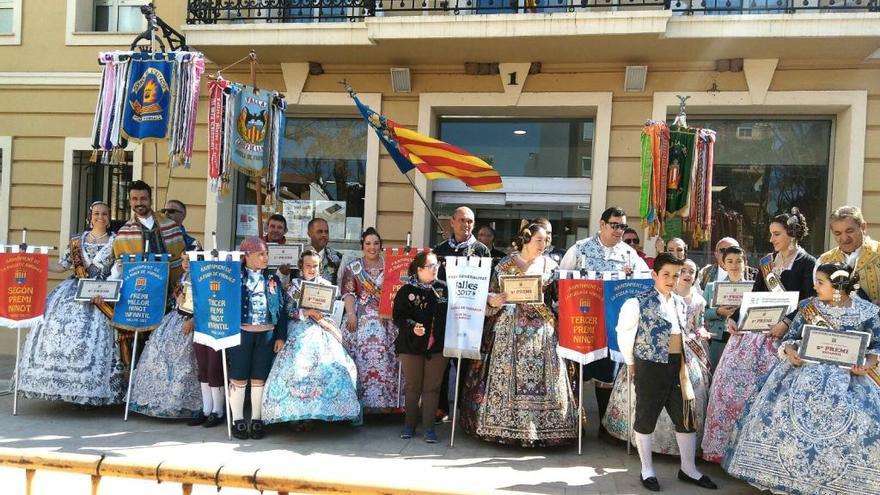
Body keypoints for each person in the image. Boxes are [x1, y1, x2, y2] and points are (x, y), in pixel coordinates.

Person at [723, 264, 880, 494]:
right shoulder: (808, 307)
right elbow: (791, 337)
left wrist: (867, 363)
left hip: (850, 380)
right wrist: (790, 352)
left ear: (838, 286)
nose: (814, 286)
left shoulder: (866, 311)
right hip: (803, 373)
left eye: (820, 282)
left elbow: (877, 344)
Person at [701, 208, 817, 463]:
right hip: (755, 334)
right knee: (727, 385)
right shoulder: (767, 262)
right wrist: (734, 318)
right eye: (771, 234)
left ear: (793, 234)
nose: (772, 239)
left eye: (776, 234)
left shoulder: (808, 263)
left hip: (784, 340)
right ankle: (726, 449)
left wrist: (787, 322)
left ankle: (762, 457)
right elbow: (753, 296)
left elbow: (811, 301)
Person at [463, 223, 577, 447]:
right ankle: (498, 425)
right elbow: (487, 292)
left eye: (546, 241)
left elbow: (560, 299)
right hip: (507, 328)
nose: (544, 245)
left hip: (542, 332)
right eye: (539, 240)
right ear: (526, 240)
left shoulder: (551, 266)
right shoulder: (504, 264)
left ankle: (546, 429)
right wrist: (491, 299)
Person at [615, 253, 717, 492]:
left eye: (676, 274)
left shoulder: (680, 302)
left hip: (678, 364)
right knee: (646, 414)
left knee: (685, 415)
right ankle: (647, 469)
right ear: (654, 275)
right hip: (649, 365)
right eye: (666, 275)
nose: (672, 280)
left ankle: (688, 468)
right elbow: (625, 334)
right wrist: (631, 363)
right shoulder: (637, 302)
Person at [16, 201, 125, 405]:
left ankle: (90, 392)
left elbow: (118, 270)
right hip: (73, 292)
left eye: (104, 214)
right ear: (89, 216)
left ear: (110, 218)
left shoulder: (116, 241)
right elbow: (62, 266)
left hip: (102, 294)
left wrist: (108, 290)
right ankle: (58, 386)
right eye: (96, 213)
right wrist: (34, 260)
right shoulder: (77, 241)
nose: (100, 217)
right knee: (57, 331)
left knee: (97, 340)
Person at [559, 206, 650, 442]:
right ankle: (574, 423)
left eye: (623, 226)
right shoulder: (579, 249)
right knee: (577, 374)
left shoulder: (630, 255)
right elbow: (563, 280)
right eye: (615, 225)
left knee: (606, 377)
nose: (619, 231)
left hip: (611, 324)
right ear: (602, 224)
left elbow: (643, 285)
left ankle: (604, 425)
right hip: (583, 322)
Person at [262, 250, 361, 426]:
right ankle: (297, 415)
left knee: (334, 368)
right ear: (301, 266)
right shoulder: (294, 286)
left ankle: (320, 413)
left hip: (322, 330)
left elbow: (335, 309)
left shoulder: (326, 285)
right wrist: (305, 312)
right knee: (295, 368)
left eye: (315, 266)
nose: (312, 269)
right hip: (298, 330)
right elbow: (287, 310)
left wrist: (325, 315)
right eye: (308, 266)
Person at [112, 180, 186, 366]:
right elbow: (120, 268)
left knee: (165, 343)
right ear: (129, 201)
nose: (139, 203)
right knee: (138, 344)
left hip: (168, 296)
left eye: (143, 198)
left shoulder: (170, 227)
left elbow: (180, 261)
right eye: (135, 199)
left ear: (150, 199)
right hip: (140, 298)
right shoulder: (123, 233)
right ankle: (137, 383)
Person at [432, 206, 491, 420]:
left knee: (466, 367)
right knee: (441, 363)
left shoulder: (481, 250)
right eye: (462, 220)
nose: (466, 225)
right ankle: (440, 409)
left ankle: (466, 412)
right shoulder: (439, 250)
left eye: (470, 222)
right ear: (452, 222)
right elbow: (433, 283)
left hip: (469, 319)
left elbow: (487, 284)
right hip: (444, 315)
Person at [228, 236, 289, 440]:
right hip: (241, 334)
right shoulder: (234, 277)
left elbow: (282, 309)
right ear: (247, 256)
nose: (265, 258)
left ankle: (256, 419)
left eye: (266, 254)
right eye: (261, 254)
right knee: (239, 375)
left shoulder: (272, 279)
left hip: (267, 334)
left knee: (259, 377)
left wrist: (280, 335)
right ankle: (238, 419)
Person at [128, 253, 201, 419]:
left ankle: (184, 401)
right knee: (159, 351)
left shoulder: (201, 278)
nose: (185, 264)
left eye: (189, 260)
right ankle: (156, 398)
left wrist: (193, 319)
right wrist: (178, 298)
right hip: (175, 318)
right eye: (183, 260)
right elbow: (175, 300)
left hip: (191, 321)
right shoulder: (181, 277)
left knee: (184, 357)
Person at [340, 228, 402, 413]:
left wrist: (390, 313)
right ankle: (360, 403)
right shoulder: (353, 268)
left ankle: (387, 403)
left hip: (387, 317)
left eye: (376, 243)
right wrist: (351, 315)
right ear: (362, 246)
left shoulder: (391, 266)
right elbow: (348, 293)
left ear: (381, 245)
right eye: (368, 243)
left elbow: (396, 293)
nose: (372, 247)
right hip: (361, 315)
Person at [392, 251, 449, 443]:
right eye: (431, 266)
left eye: (437, 266)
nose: (435, 269)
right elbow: (398, 316)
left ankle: (429, 428)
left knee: (432, 388)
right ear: (419, 269)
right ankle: (409, 425)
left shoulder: (444, 289)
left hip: (438, 347)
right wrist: (412, 326)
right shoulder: (406, 290)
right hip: (411, 346)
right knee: (413, 386)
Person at [819, 205, 880, 304]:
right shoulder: (824, 260)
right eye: (838, 233)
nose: (844, 238)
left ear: (863, 227)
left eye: (849, 231)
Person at [702, 246, 750, 369]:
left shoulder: (753, 289)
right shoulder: (711, 287)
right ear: (723, 264)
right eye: (730, 261)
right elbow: (702, 314)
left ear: (745, 263)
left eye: (739, 261)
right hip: (719, 340)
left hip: (743, 340)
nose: (734, 265)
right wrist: (718, 311)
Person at [307, 218, 342, 285]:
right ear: (309, 234)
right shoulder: (299, 256)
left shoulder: (338, 258)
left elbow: (341, 287)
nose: (324, 235)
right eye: (320, 231)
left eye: (326, 232)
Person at [264, 213, 295, 285]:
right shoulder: (258, 247)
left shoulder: (292, 252)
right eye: (272, 226)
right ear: (267, 228)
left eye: (279, 227)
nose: (275, 230)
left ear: (285, 231)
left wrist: (284, 274)